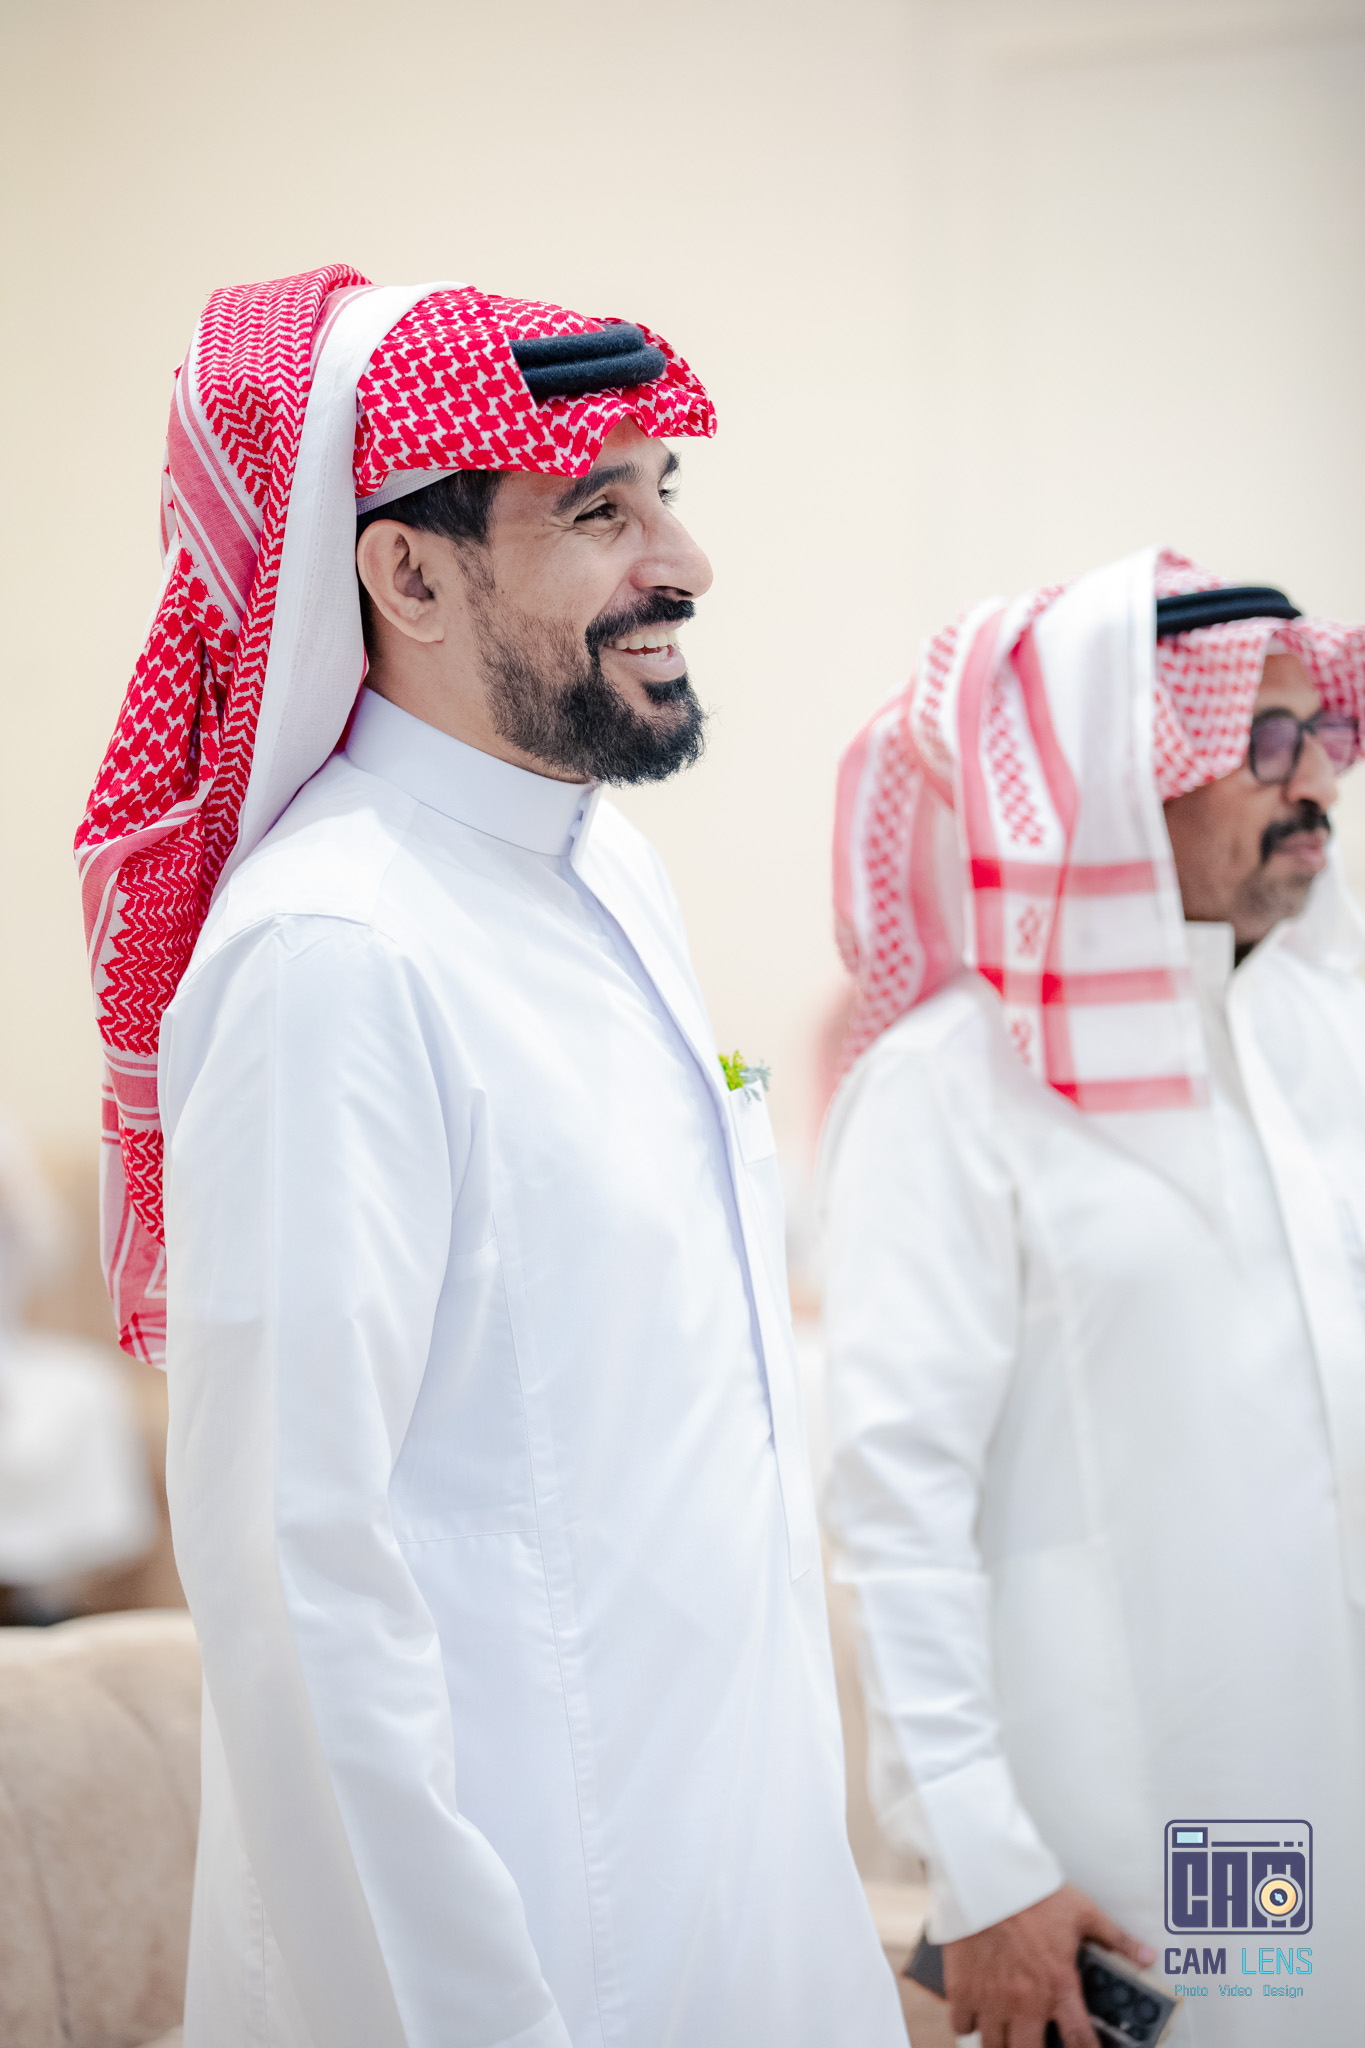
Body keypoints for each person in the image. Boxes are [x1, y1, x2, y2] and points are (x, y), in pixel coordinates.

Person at [77, 268, 903, 2048]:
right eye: (597, 512)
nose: (683, 560)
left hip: (719, 1889)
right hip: (513, 1957)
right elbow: (299, 1583)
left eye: (665, 491)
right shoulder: (333, 956)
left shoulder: (603, 870)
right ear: (410, 575)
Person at [822, 547, 1365, 2046]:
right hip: (1135, 1819)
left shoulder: (1320, 1038)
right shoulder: (948, 1090)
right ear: (1122, 779)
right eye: (1260, 738)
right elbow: (894, 1510)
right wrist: (983, 1869)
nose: (1314, 777)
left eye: (1322, 729)